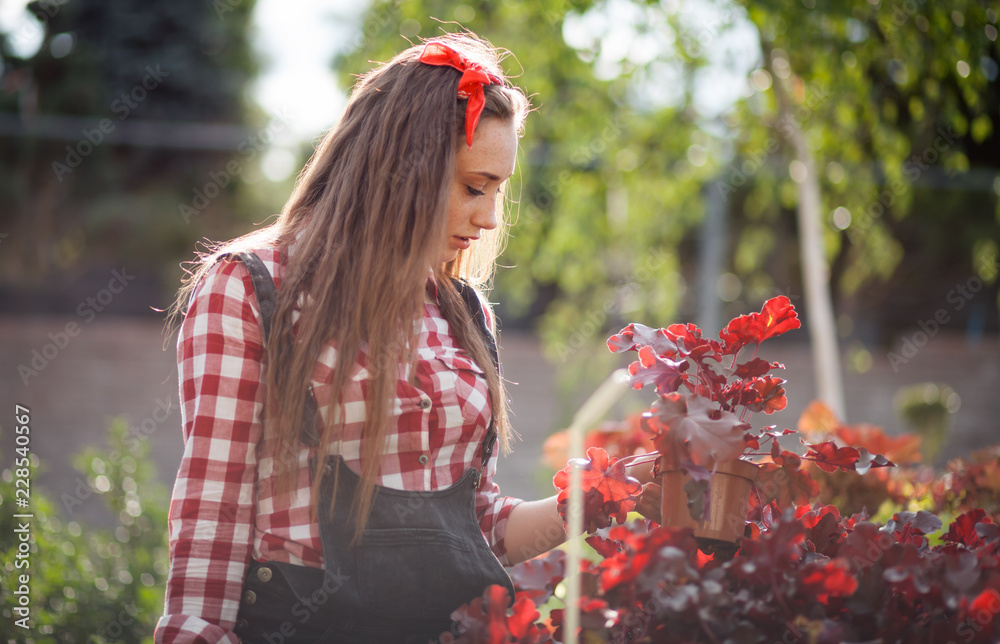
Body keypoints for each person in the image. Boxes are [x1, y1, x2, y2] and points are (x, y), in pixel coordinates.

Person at [155, 32, 658, 643]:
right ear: (401, 168)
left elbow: (474, 527)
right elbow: (214, 511)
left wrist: (607, 494)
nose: (492, 218)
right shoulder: (253, 288)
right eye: (475, 187)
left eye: (499, 191)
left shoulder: (464, 312)